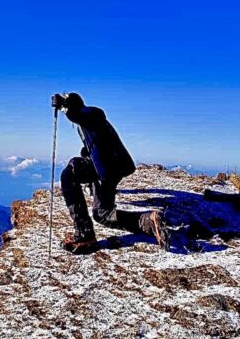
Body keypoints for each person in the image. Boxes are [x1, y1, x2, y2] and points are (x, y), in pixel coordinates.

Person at [52, 92, 170, 254]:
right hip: (110, 167)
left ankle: (85, 236)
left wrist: (65, 106)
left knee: (71, 173)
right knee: (102, 214)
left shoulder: (92, 114)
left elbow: (79, 114)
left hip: (107, 168)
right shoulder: (89, 123)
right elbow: (96, 145)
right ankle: (148, 221)